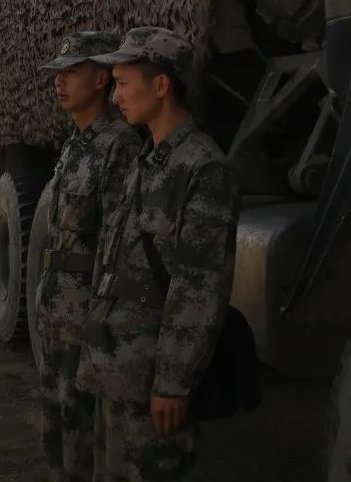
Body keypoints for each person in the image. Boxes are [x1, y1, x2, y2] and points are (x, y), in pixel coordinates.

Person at [79, 26, 238, 481]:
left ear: (162, 85)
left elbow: (199, 286)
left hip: (152, 377)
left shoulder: (202, 167)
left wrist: (172, 381)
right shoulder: (147, 160)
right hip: (117, 368)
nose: (116, 98)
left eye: (124, 84)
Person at [36, 32, 142, 482]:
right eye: (57, 73)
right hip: (56, 306)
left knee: (86, 428)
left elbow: (120, 245)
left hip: (87, 311)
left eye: (72, 72)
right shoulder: (74, 145)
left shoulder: (119, 146)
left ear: (101, 79)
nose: (60, 82)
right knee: (58, 418)